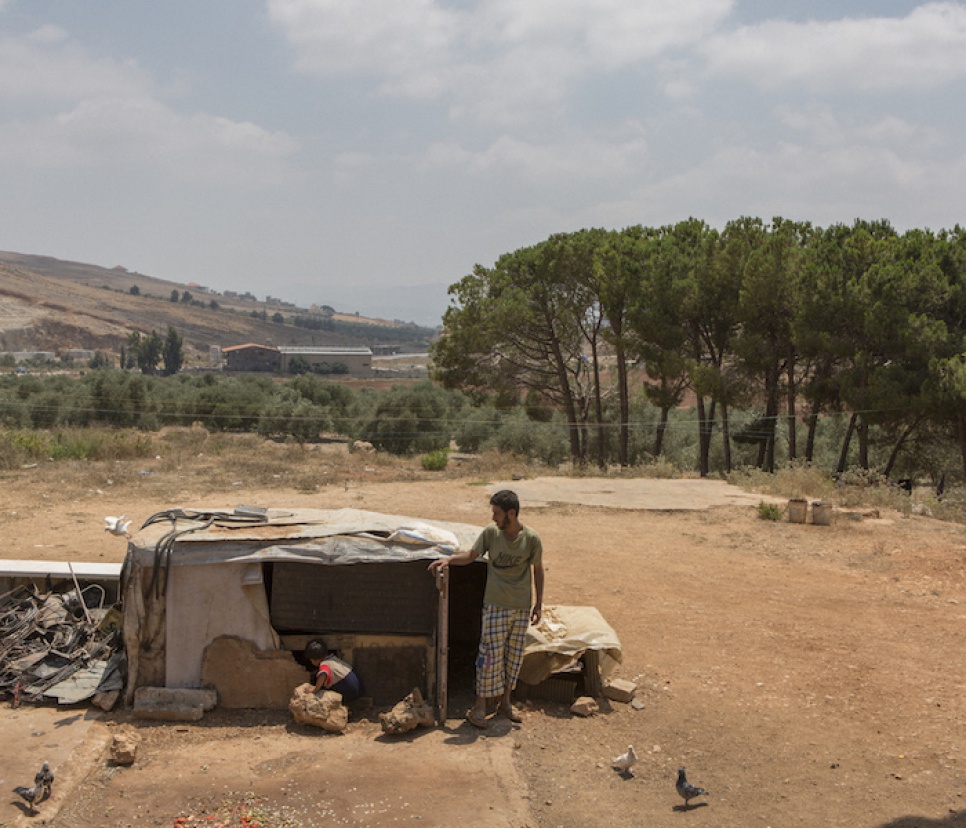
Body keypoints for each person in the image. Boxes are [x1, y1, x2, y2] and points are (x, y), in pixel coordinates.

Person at [427, 489, 544, 728]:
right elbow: (471, 556)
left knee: (513, 658)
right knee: (488, 657)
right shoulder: (491, 534)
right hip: (495, 606)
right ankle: (479, 707)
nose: (494, 518)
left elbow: (538, 570)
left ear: (511, 513)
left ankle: (506, 703)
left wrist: (539, 604)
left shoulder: (531, 539)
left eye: (497, 513)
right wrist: (449, 560)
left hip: (520, 608)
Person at [304, 639, 365, 703]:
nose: (311, 663)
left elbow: (323, 675)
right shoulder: (333, 659)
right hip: (359, 688)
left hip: (349, 691)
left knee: (322, 694)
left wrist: (315, 690)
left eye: (311, 660)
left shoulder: (324, 664)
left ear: (315, 659)